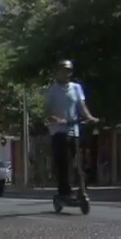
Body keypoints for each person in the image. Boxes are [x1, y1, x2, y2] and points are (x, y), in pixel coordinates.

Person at [45, 60, 98, 200]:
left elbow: (81, 106)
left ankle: (81, 187)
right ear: (58, 72)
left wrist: (89, 117)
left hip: (74, 130)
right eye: (63, 70)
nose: (66, 73)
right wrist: (58, 120)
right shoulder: (53, 90)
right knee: (64, 162)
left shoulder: (76, 88)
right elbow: (48, 112)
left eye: (68, 71)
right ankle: (64, 191)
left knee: (79, 161)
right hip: (59, 131)